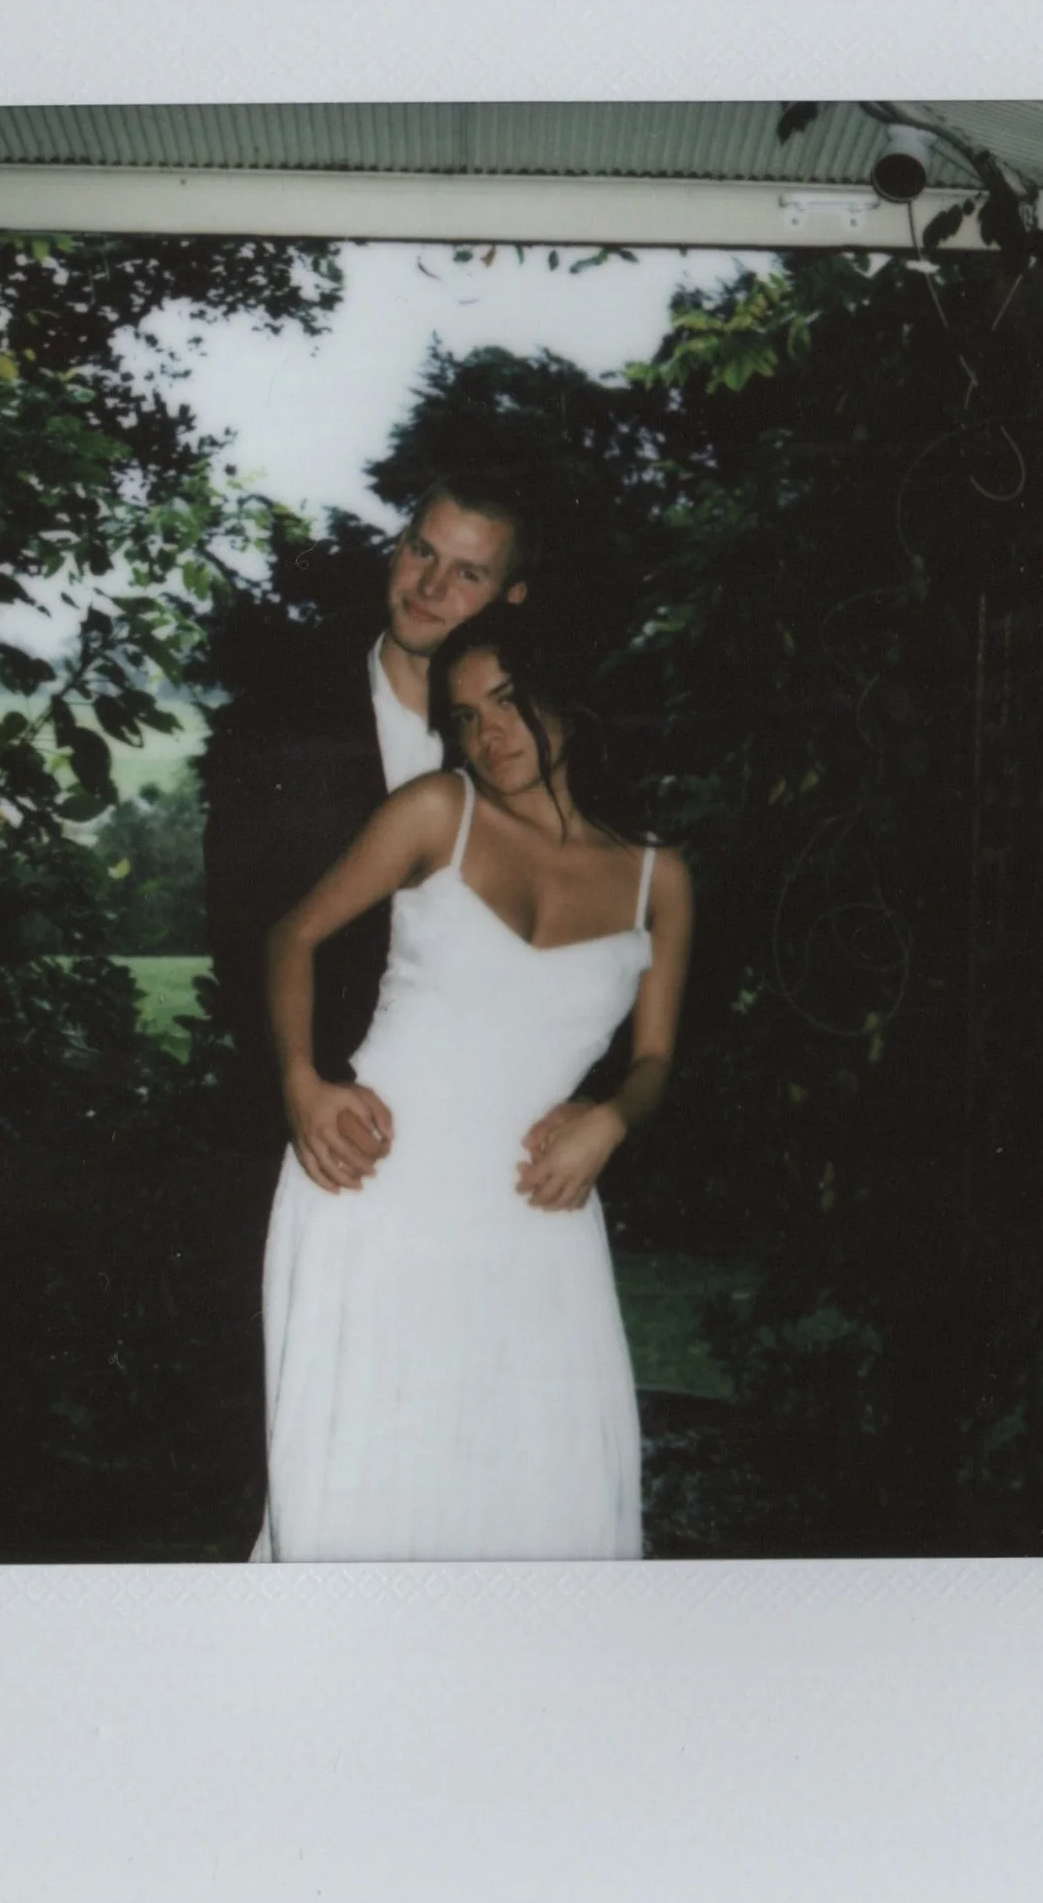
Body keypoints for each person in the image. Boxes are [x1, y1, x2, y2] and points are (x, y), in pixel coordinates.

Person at [251, 601, 692, 1561]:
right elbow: (295, 935)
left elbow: (655, 1061)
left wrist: (611, 1118)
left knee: (543, 1507)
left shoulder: (660, 876)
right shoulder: (435, 814)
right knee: (360, 1513)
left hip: (534, 1217)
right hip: (373, 1194)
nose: (489, 735)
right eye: (465, 717)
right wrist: (302, 1086)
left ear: (564, 697)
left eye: (509, 701)